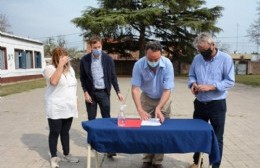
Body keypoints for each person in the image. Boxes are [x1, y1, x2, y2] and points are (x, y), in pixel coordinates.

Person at [188, 32, 235, 168]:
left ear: (213, 45)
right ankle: (197, 162)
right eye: (199, 50)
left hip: (217, 105)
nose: (202, 54)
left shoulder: (226, 59)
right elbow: (191, 75)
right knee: (198, 134)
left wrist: (212, 87)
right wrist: (193, 85)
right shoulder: (197, 58)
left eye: (204, 50)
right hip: (200, 104)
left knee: (216, 137)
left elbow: (230, 81)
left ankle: (215, 165)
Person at [131, 41, 174, 168]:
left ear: (161, 54)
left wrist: (159, 108)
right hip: (147, 98)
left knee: (162, 130)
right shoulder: (139, 65)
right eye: (150, 59)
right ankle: (147, 159)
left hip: (163, 98)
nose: (154, 62)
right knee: (147, 129)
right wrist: (139, 109)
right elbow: (135, 89)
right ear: (145, 54)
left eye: (156, 59)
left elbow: (167, 90)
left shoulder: (167, 64)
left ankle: (158, 161)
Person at [79, 35, 124, 158]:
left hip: (104, 93)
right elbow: (82, 78)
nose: (97, 49)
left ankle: (109, 148)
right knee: (91, 120)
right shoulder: (85, 60)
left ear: (101, 46)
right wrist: (85, 92)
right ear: (90, 47)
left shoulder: (108, 59)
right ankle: (92, 144)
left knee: (106, 119)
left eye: (99, 47)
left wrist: (118, 91)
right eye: (95, 47)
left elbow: (113, 77)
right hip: (91, 94)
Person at [43, 47, 79, 168]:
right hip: (55, 107)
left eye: (65, 56)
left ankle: (67, 154)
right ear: (56, 57)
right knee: (55, 132)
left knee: (65, 132)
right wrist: (60, 66)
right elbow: (53, 81)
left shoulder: (71, 70)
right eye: (61, 56)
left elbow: (73, 86)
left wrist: (76, 100)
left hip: (69, 106)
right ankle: (54, 157)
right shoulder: (49, 69)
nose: (65, 59)